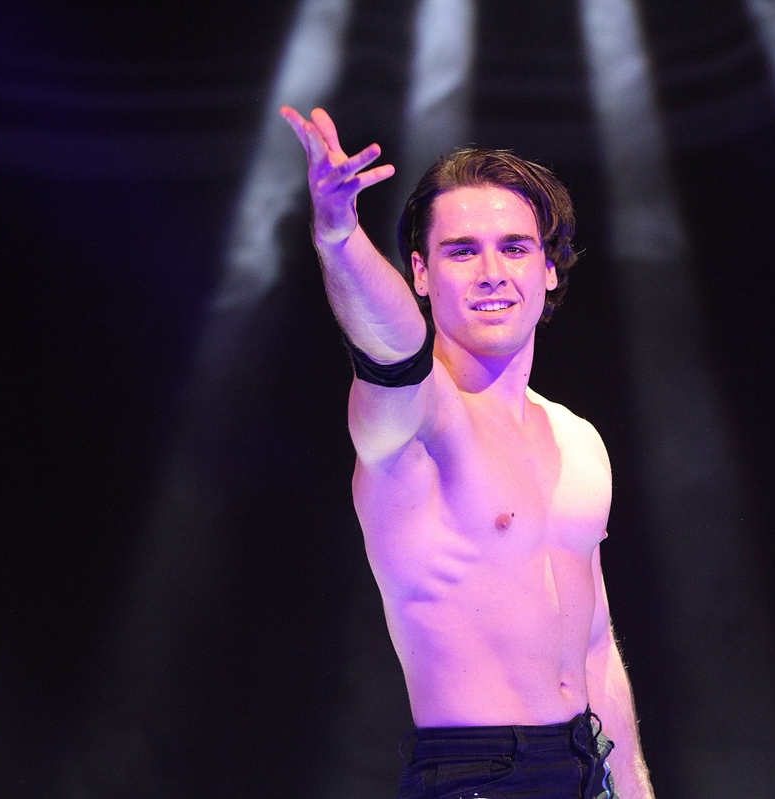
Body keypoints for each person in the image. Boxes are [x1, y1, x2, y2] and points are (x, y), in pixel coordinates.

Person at [281, 105, 655, 799]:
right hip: (476, 776)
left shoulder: (578, 439)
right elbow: (392, 347)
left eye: (514, 248)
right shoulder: (417, 422)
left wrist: (631, 789)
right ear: (420, 273)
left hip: (584, 768)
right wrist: (339, 237)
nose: (491, 272)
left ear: (549, 268)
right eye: (461, 251)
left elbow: (595, 643)